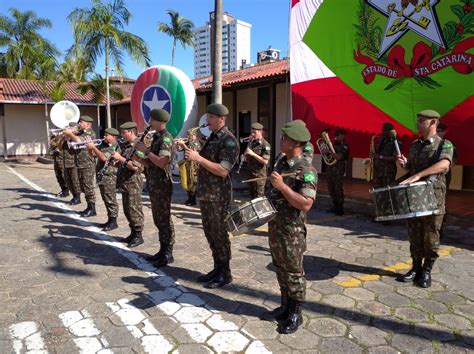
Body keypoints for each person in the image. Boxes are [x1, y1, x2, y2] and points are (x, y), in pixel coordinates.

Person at [262, 121, 317, 334]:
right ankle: (285, 305)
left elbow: (306, 203)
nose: (281, 140)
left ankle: (296, 312)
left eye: (284, 138)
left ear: (295, 142)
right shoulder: (282, 163)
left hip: (292, 231)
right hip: (276, 225)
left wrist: (282, 186)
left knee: (294, 271)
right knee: (279, 267)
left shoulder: (306, 169)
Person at [183, 103, 239, 289]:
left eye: (211, 117)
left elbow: (223, 170)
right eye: (208, 117)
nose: (207, 121)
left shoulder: (228, 140)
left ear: (221, 119)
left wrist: (198, 158)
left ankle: (225, 272)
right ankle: (217, 268)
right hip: (207, 194)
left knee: (220, 235)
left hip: (218, 197)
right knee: (210, 234)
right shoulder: (212, 137)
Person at [396, 110, 454, 288]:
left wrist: (418, 175)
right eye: (418, 120)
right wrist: (404, 164)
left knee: (430, 236)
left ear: (433, 123)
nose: (418, 123)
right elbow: (411, 170)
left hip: (433, 198)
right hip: (414, 198)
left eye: (422, 121)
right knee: (414, 234)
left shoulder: (444, 144)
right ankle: (415, 268)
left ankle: (427, 271)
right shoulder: (415, 145)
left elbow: (444, 164)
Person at [136, 109, 176, 267]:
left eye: (151, 120)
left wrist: (145, 150)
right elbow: (151, 163)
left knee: (164, 218)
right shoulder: (156, 138)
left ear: (159, 121)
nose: (149, 123)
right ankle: (162, 249)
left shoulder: (165, 138)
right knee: (158, 218)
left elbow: (162, 162)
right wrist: (139, 157)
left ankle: (168, 253)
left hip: (162, 185)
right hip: (154, 184)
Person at [113, 122, 145, 248]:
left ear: (131, 132)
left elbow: (135, 167)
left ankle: (138, 235)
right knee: (127, 210)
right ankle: (133, 232)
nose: (122, 135)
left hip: (133, 183)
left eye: (124, 132)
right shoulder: (126, 146)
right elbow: (125, 163)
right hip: (125, 183)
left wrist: (120, 159)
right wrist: (116, 162)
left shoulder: (138, 146)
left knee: (134, 209)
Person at [87, 127, 121, 231]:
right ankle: (110, 219)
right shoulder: (103, 145)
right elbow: (92, 155)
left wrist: (94, 147)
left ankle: (113, 221)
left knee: (110, 199)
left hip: (110, 176)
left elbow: (104, 158)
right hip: (102, 176)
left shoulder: (115, 147)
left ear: (113, 137)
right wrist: (89, 148)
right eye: (105, 135)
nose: (104, 137)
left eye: (107, 135)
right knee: (105, 198)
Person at [64, 115, 97, 217]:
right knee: (83, 186)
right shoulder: (81, 133)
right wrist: (68, 135)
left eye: (82, 122)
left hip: (87, 163)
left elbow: (79, 141)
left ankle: (92, 208)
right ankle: (88, 206)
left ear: (88, 124)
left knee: (88, 186)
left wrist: (70, 134)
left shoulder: (90, 133)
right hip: (80, 163)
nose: (79, 124)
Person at [436, 122, 456, 239]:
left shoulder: (447, 144)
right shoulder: (429, 142)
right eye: (436, 130)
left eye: (440, 131)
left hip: (443, 177)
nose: (438, 133)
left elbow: (453, 161)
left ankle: (440, 228)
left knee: (441, 202)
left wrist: (442, 166)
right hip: (429, 177)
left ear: (444, 132)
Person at [326, 128, 349, 216]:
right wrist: (326, 150)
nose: (336, 137)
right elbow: (326, 155)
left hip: (338, 169)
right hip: (330, 168)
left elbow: (338, 157)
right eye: (336, 135)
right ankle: (334, 205)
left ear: (343, 136)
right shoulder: (332, 144)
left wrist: (331, 151)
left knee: (338, 188)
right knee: (331, 188)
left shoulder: (345, 146)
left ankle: (340, 207)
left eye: (338, 135)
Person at [244, 122, 271, 198]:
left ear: (260, 132)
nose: (252, 134)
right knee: (251, 196)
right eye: (252, 132)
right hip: (250, 173)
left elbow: (265, 161)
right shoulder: (252, 143)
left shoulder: (265, 145)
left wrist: (253, 154)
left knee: (259, 197)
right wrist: (244, 157)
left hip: (259, 175)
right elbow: (249, 158)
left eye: (254, 132)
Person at [373, 122, 401, 188]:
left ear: (390, 132)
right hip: (378, 171)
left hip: (388, 172)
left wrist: (380, 157)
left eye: (385, 130)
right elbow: (377, 152)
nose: (383, 132)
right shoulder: (381, 140)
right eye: (382, 130)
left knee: (387, 192)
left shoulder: (396, 142)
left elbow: (394, 158)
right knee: (378, 191)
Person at [62, 122, 82, 205]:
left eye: (71, 127)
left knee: (75, 181)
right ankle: (74, 196)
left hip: (74, 162)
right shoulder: (67, 137)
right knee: (68, 180)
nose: (69, 129)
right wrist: (63, 139)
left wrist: (70, 135)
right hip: (66, 162)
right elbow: (60, 148)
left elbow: (78, 142)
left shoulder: (77, 136)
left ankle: (77, 197)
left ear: (76, 129)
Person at [183, 128, 201, 206]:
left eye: (189, 135)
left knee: (193, 182)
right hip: (187, 165)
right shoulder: (188, 142)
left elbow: (192, 152)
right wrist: (178, 145)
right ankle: (189, 198)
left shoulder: (196, 143)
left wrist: (183, 145)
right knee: (188, 182)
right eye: (187, 135)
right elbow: (179, 149)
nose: (188, 136)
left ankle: (193, 200)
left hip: (194, 165)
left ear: (194, 135)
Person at [49, 133, 69, 198]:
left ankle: (67, 190)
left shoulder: (64, 135)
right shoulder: (54, 137)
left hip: (62, 158)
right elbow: (52, 145)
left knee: (64, 175)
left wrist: (59, 136)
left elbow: (60, 144)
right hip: (56, 158)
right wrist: (54, 137)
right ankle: (63, 189)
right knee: (58, 175)